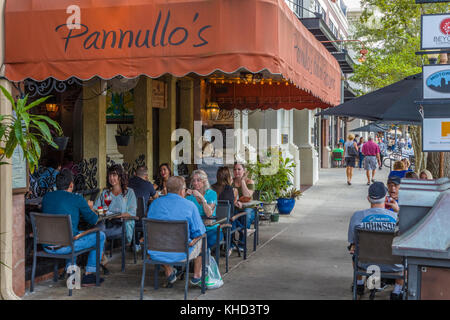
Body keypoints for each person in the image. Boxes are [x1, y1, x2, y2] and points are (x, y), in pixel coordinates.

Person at [41, 169, 106, 287]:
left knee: (73, 234)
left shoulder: (46, 197)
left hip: (47, 246)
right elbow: (93, 220)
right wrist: (90, 207)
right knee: (100, 236)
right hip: (66, 246)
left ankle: (73, 277)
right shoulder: (77, 198)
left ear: (57, 184)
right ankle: (90, 275)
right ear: (71, 184)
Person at [347, 182, 404, 300]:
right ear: (386, 198)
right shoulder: (397, 218)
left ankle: (359, 284)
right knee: (405, 257)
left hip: (365, 264)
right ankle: (397, 290)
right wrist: (399, 211)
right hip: (394, 265)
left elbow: (352, 243)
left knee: (354, 252)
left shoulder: (357, 216)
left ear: (368, 198)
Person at [147, 176, 206, 287]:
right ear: (181, 190)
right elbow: (199, 232)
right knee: (203, 238)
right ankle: (197, 275)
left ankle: (169, 270)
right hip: (181, 254)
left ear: (166, 189)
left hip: (155, 252)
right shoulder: (190, 206)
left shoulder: (154, 204)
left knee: (162, 239)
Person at [95, 164, 137, 249]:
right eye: (110, 175)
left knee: (99, 233)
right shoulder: (106, 193)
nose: (111, 178)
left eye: (114, 175)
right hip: (107, 223)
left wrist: (114, 216)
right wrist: (103, 213)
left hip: (122, 225)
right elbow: (97, 208)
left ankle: (101, 254)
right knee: (98, 228)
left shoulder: (129, 193)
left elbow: (131, 213)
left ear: (120, 177)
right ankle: (101, 255)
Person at [186, 170, 221, 250]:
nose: (195, 183)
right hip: (196, 230)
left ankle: (203, 259)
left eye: (198, 180)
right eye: (194, 180)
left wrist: (202, 198)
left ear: (204, 181)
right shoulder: (190, 196)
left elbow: (209, 214)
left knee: (201, 245)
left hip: (211, 229)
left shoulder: (212, 194)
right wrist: (184, 195)